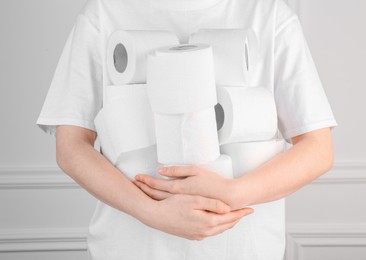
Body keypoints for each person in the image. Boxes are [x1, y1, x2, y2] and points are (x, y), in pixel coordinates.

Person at [36, 0, 338, 259]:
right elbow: (71, 146)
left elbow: (318, 148)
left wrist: (234, 193)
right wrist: (150, 212)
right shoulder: (104, 13)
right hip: (130, 249)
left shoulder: (268, 14)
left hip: (243, 251)